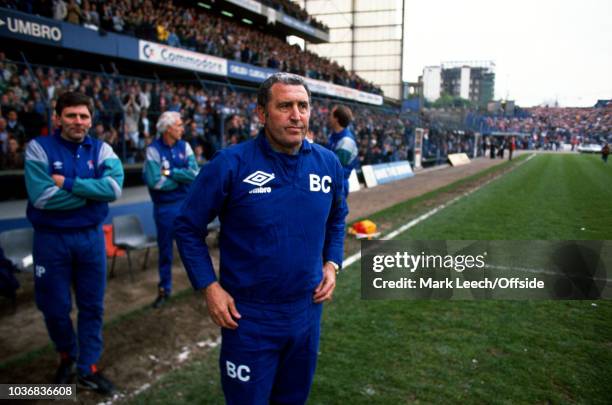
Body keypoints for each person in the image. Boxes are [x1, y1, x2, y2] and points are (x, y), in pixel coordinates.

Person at [174, 73, 348, 404]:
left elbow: (338, 216)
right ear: (261, 113)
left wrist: (332, 262)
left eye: (303, 106)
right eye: (285, 106)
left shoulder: (328, 163)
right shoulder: (231, 164)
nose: (296, 115)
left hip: (307, 311)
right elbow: (186, 226)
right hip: (249, 316)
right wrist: (209, 287)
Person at [24, 91, 123, 394]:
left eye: (83, 116)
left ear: (91, 120)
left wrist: (67, 183)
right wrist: (92, 194)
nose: (78, 121)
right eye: (71, 115)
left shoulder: (102, 149)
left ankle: (87, 367)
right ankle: (67, 355)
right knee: (54, 307)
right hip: (51, 240)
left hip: (90, 237)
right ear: (57, 118)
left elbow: (114, 189)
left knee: (92, 306)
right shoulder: (39, 148)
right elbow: (42, 197)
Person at [143, 111, 199, 308]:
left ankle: (201, 284)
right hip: (165, 208)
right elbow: (154, 181)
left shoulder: (185, 146)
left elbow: (194, 174)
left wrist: (170, 173)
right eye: (178, 125)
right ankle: (164, 289)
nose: (182, 129)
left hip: (185, 205)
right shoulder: (153, 150)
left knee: (192, 247)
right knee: (165, 251)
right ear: (168, 129)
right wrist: (180, 180)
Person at [327, 104, 358, 199]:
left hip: (338, 185)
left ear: (336, 119)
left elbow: (335, 167)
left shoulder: (346, 141)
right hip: (331, 182)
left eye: (331, 114)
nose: (329, 117)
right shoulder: (334, 136)